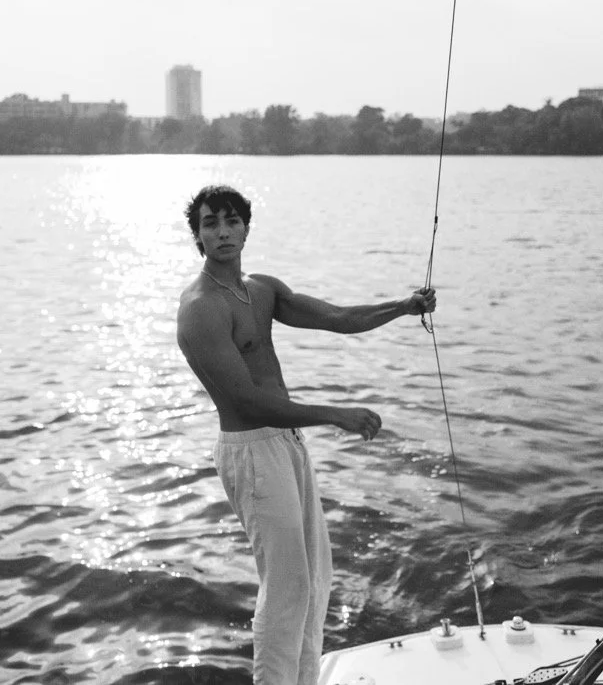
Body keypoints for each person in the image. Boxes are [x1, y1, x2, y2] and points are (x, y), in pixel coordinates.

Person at [176, 184, 436, 685]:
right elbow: (245, 399)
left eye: (231, 221)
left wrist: (404, 306)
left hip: (286, 442)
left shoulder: (260, 289)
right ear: (198, 236)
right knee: (286, 586)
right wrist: (334, 414)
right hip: (252, 450)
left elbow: (338, 318)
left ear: (247, 227)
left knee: (316, 580)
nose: (223, 231)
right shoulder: (201, 307)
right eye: (211, 223)